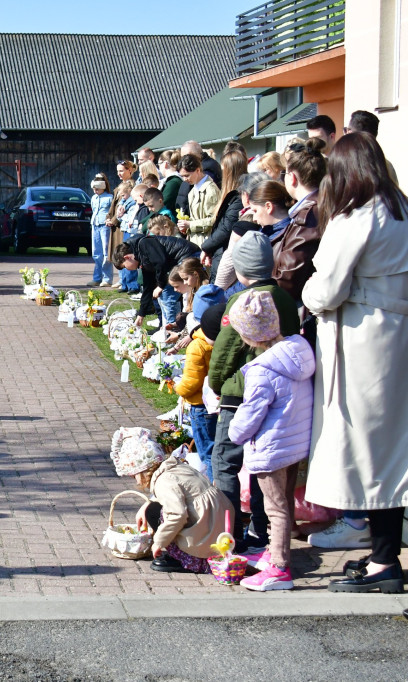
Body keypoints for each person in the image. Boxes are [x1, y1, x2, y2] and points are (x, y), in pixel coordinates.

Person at [301, 132, 408, 593]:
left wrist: (308, 294)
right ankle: (383, 552)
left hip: (363, 339)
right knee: (391, 448)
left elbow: (326, 289)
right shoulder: (401, 210)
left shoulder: (358, 216)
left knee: (368, 451)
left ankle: (384, 561)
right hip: (396, 335)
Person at [207, 232, 300, 553]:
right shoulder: (286, 299)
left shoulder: (242, 301)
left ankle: (229, 532)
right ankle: (262, 530)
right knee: (264, 465)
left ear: (241, 270)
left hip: (241, 393)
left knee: (225, 461)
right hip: (279, 392)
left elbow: (225, 352)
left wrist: (217, 385)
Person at [227, 291, 315, 591]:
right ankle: (277, 553)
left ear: (248, 335)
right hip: (293, 443)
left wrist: (235, 432)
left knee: (274, 508)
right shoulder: (297, 353)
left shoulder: (262, 370)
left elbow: (251, 413)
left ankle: (279, 568)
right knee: (284, 503)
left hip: (271, 448)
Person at [110, 428, 233, 574]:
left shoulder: (163, 482)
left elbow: (177, 515)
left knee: (155, 512)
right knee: (152, 507)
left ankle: (187, 559)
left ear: (142, 471)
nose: (135, 480)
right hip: (220, 531)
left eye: (133, 475)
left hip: (205, 541)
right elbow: (181, 494)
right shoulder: (176, 467)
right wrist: (146, 504)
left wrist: (158, 542)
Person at [273, 139, 326, 304]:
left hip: (300, 306)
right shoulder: (317, 206)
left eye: (285, 173)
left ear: (293, 178)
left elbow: (288, 280)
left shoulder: (309, 216)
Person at [174, 301, 223, 480]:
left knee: (208, 453)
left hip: (201, 405)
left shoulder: (197, 346)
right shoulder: (226, 344)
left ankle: (214, 487)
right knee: (220, 449)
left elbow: (192, 381)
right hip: (220, 402)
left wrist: (179, 388)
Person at [111, 232, 199, 328]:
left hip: (188, 255)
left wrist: (160, 286)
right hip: (179, 260)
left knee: (167, 295)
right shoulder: (141, 257)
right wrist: (141, 314)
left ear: (127, 257)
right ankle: (166, 328)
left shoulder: (144, 244)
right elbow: (148, 286)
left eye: (124, 266)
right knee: (162, 296)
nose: (127, 269)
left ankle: (173, 329)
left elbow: (161, 263)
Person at [198, 151, 247, 280]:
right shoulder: (233, 195)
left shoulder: (238, 198)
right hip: (221, 251)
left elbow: (226, 228)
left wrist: (206, 248)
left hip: (228, 253)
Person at [176, 153, 220, 248]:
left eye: (187, 175)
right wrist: (185, 227)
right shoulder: (193, 189)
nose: (184, 179)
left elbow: (214, 220)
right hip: (195, 242)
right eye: (182, 176)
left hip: (207, 244)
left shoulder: (210, 190)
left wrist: (190, 224)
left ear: (198, 170)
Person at [88, 175, 113, 287]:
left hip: (105, 226)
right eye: (94, 188)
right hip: (95, 225)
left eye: (97, 188)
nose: (95, 191)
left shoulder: (109, 197)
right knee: (96, 253)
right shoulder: (94, 198)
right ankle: (97, 278)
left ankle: (107, 279)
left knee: (106, 253)